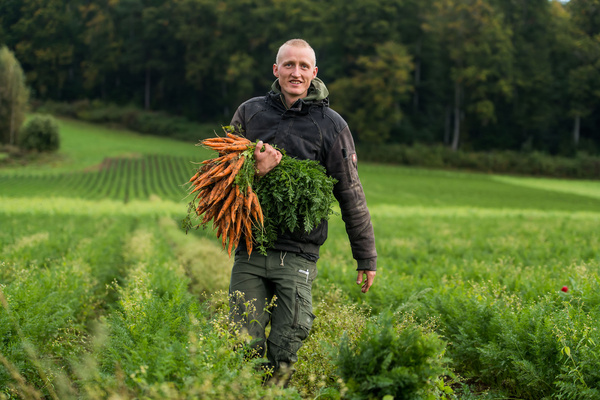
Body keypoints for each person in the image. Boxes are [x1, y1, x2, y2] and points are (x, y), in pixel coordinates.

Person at [228, 38, 377, 384]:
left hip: (299, 253)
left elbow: (351, 194)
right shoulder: (250, 113)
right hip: (250, 247)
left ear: (314, 72)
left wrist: (366, 256)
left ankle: (276, 391)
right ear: (276, 69)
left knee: (287, 343)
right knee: (242, 341)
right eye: (289, 65)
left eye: (303, 66)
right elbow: (220, 176)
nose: (296, 73)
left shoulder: (332, 125)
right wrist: (255, 171)